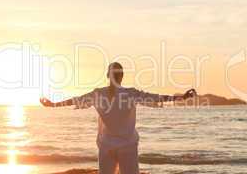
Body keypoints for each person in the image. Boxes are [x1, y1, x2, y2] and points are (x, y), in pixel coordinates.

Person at [40, 62, 196, 174]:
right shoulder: (129, 93)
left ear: (108, 75)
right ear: (121, 76)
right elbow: (156, 98)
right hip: (125, 146)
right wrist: (181, 97)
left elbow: (75, 100)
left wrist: (53, 105)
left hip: (107, 146)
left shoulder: (99, 94)